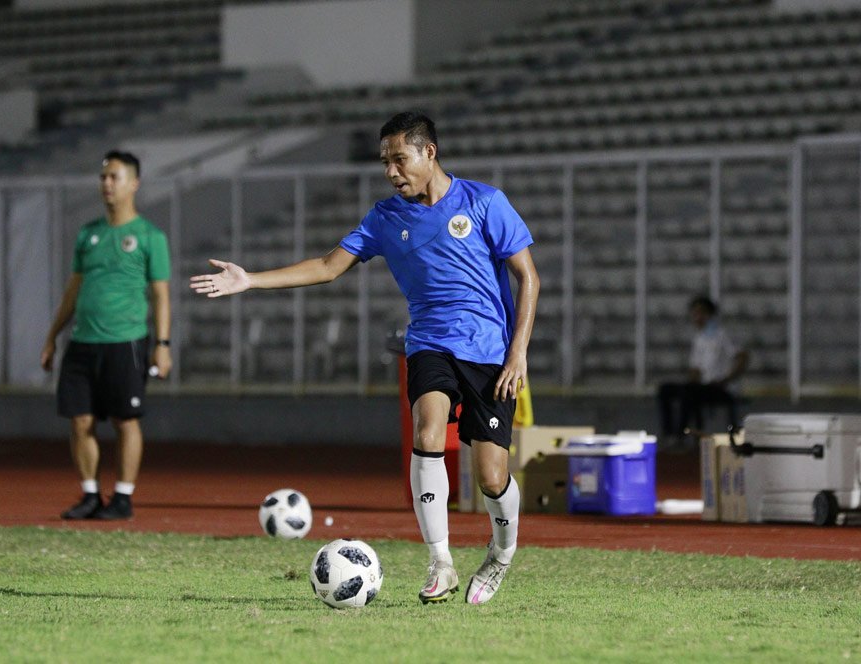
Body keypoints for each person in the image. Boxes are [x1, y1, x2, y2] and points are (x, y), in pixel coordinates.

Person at [191, 111, 539, 606]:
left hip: (488, 352)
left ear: (429, 153)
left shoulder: (485, 202)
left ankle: (500, 556)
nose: (392, 172)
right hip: (429, 345)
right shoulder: (384, 218)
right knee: (427, 431)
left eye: (400, 159)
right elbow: (329, 266)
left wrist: (518, 352)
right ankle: (440, 562)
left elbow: (530, 276)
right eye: (385, 163)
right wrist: (251, 280)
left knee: (491, 477)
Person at [41, 150, 172, 520]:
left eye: (114, 177)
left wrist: (162, 345)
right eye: (103, 177)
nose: (106, 184)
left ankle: (124, 497)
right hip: (83, 341)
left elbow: (160, 294)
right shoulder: (89, 234)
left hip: (126, 342)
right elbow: (73, 289)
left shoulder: (149, 237)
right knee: (79, 420)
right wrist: (52, 336)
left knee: (124, 421)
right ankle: (90, 494)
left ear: (134, 183)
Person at [657, 295, 748, 448]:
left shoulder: (723, 335)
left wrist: (726, 380)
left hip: (721, 388)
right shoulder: (700, 338)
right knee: (666, 390)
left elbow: (742, 357)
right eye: (695, 313)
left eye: (701, 313)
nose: (697, 317)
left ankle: (680, 436)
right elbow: (695, 369)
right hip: (702, 388)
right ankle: (670, 434)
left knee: (690, 392)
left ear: (711, 314)